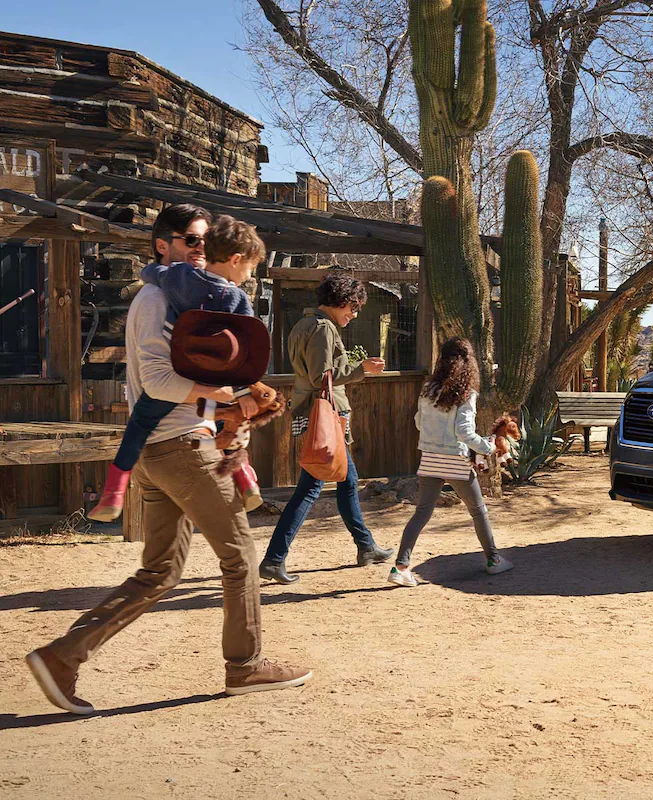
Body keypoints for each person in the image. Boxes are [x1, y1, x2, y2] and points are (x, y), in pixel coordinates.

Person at [25, 204, 310, 715]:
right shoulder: (154, 299)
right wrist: (225, 399)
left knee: (160, 573)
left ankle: (62, 657)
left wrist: (231, 399)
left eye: (205, 243)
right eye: (190, 242)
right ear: (163, 246)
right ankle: (245, 667)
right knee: (241, 555)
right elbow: (158, 382)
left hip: (167, 450)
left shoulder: (183, 302)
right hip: (180, 449)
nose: (201, 251)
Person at [88, 215, 267, 522]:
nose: (249, 275)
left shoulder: (182, 278)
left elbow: (155, 272)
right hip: (212, 377)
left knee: (138, 426)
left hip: (181, 368)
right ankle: (245, 477)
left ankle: (113, 493)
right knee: (228, 420)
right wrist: (241, 391)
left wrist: (150, 270)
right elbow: (247, 349)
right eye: (250, 268)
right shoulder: (238, 298)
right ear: (236, 260)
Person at [259, 273, 392, 584]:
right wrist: (363, 370)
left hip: (320, 416)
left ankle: (366, 546)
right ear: (343, 303)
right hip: (326, 418)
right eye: (354, 308)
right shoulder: (323, 329)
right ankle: (274, 558)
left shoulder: (305, 324)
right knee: (310, 489)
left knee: (348, 483)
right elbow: (323, 378)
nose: (354, 314)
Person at [388, 337, 513, 587]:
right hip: (454, 460)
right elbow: (464, 432)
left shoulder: (428, 389)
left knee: (421, 513)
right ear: (468, 363)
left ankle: (400, 567)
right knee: (478, 511)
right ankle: (494, 560)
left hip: (429, 458)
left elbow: (418, 422)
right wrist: (488, 446)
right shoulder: (466, 394)